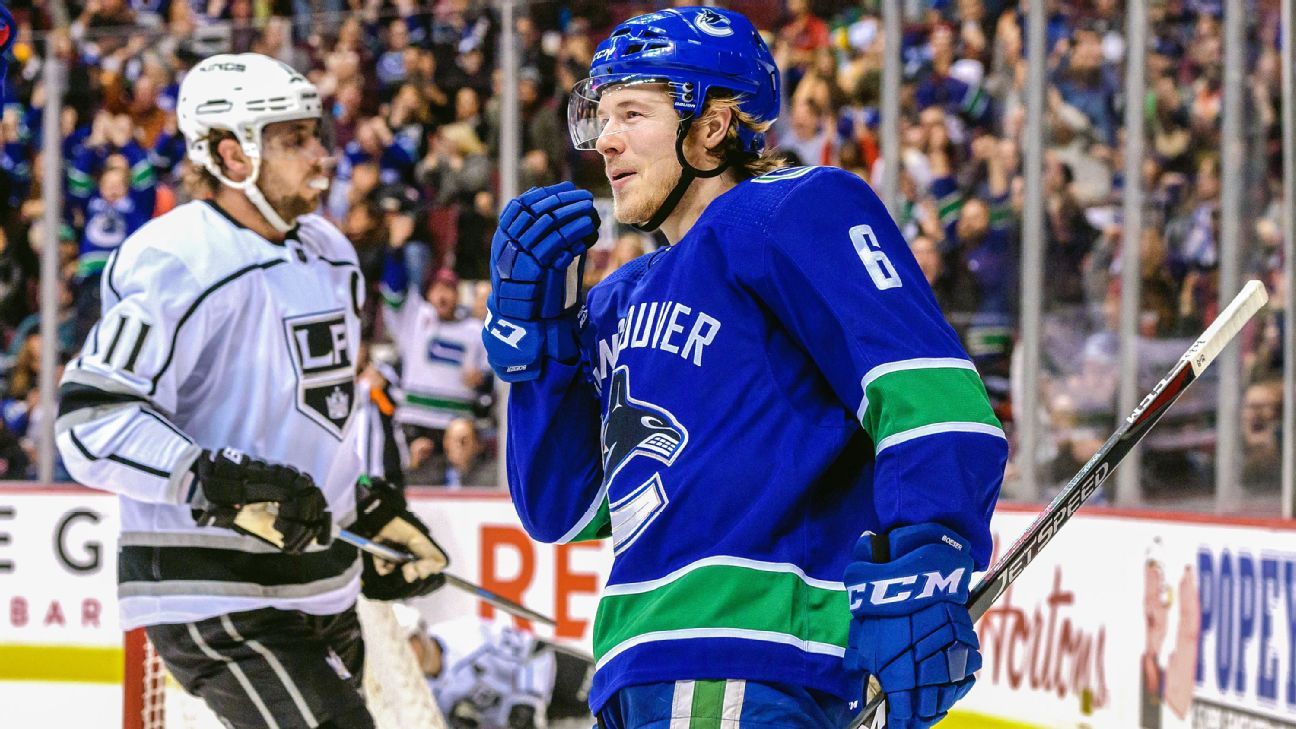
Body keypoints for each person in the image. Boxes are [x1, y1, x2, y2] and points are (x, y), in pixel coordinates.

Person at [481, 8, 1007, 729]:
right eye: (600, 117)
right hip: (635, 671)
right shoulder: (613, 300)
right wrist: (540, 354)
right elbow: (562, 508)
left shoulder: (789, 211)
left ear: (712, 126)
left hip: (743, 656)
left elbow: (926, 388)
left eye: (633, 112)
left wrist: (928, 546)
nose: (605, 140)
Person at [54, 53, 449, 729]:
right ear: (232, 155)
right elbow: (92, 420)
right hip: (210, 590)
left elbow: (310, 418)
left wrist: (361, 512)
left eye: (314, 135)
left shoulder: (332, 252)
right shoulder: (175, 257)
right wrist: (210, 477)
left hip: (321, 585)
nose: (320, 155)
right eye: (293, 140)